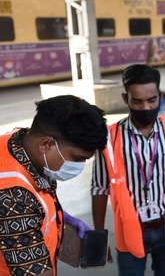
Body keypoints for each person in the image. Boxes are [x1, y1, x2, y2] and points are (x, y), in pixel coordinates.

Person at [91, 64, 165, 276]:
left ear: (159, 95)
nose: (146, 108)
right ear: (125, 98)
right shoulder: (109, 139)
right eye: (137, 101)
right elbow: (99, 189)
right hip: (130, 232)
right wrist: (99, 236)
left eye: (152, 100)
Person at [0, 95, 108, 276]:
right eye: (78, 159)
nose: (80, 166)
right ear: (47, 144)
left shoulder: (20, 142)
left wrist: (58, 217)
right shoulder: (13, 197)